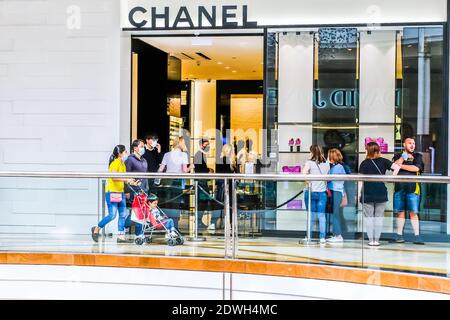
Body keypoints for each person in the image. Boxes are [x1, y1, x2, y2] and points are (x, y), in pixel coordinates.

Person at [91, 145, 138, 243]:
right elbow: (113, 177)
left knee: (122, 215)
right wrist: (126, 179)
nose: (126, 153)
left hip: (120, 192)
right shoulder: (115, 163)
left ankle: (121, 236)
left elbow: (123, 178)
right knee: (112, 215)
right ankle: (96, 228)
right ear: (119, 153)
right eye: (125, 151)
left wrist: (131, 181)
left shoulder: (122, 164)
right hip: (112, 192)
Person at [359, 142, 400, 247]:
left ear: (368, 150)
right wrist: (392, 178)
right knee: (378, 217)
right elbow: (396, 167)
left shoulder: (364, 163)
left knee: (369, 218)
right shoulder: (384, 161)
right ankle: (376, 240)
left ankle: (371, 240)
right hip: (381, 192)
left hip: (367, 193)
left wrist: (359, 193)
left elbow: (360, 180)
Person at [392, 137, 425, 245]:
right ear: (404, 145)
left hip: (413, 188)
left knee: (413, 212)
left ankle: (417, 236)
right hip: (399, 188)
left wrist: (401, 166)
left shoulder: (418, 156)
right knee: (400, 212)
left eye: (414, 143)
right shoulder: (398, 156)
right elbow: (394, 167)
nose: (412, 145)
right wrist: (403, 157)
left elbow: (416, 168)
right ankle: (399, 235)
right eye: (410, 143)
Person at [158, 136, 194, 228]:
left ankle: (166, 225)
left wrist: (156, 179)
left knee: (167, 203)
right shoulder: (183, 155)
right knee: (176, 204)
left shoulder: (167, 154)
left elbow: (161, 169)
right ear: (180, 143)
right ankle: (174, 227)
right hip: (177, 182)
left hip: (166, 181)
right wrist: (191, 166)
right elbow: (185, 170)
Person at [301, 145, 330, 244]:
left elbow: (303, 173)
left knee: (310, 215)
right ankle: (322, 237)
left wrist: (308, 182)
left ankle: (308, 235)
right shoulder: (327, 163)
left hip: (311, 192)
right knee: (322, 216)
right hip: (322, 193)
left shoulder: (309, 162)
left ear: (312, 152)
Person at [124, 139, 148, 239]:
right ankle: (137, 233)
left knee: (141, 212)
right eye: (141, 146)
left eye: (143, 146)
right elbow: (126, 176)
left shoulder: (144, 160)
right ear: (135, 148)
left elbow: (146, 176)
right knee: (137, 213)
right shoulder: (130, 160)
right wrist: (126, 191)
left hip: (144, 190)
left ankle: (137, 232)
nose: (143, 148)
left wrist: (147, 189)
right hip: (134, 190)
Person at [326, 148, 347, 243]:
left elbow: (328, 178)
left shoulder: (337, 167)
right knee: (336, 213)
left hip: (335, 191)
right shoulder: (339, 166)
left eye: (328, 156)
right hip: (337, 191)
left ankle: (338, 235)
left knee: (335, 214)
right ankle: (336, 234)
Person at [194, 137, 212, 230]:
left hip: (202, 181)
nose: (207, 146)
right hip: (201, 182)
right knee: (202, 202)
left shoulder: (201, 154)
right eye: (206, 144)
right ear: (201, 144)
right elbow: (200, 169)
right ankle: (198, 220)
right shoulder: (199, 154)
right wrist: (208, 170)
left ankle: (199, 220)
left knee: (203, 202)